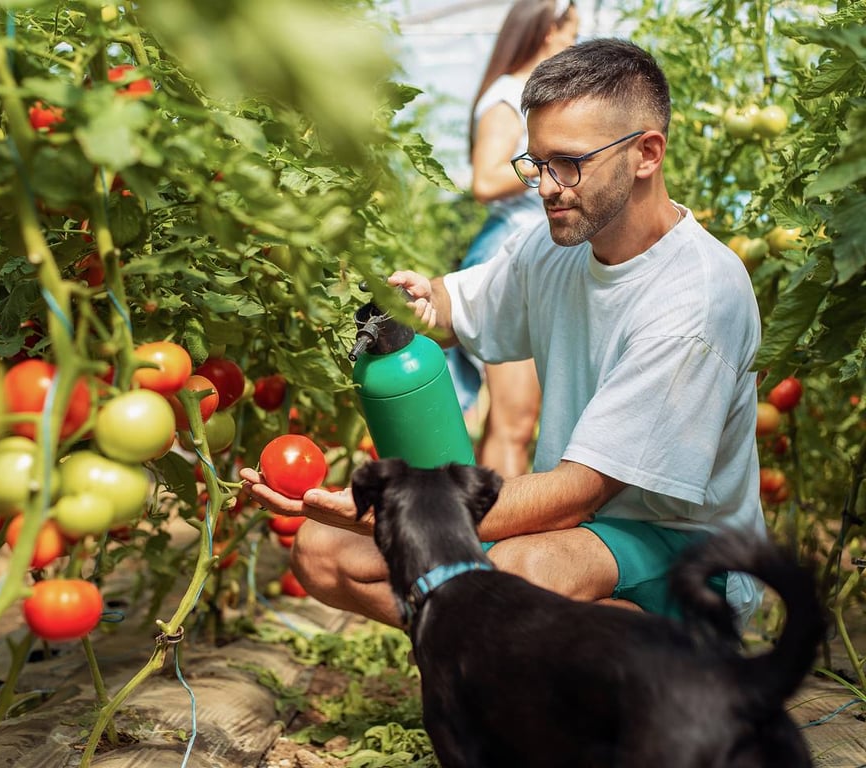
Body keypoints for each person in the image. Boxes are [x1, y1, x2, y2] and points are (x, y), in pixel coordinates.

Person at [240, 38, 767, 630]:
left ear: (646, 153)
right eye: (536, 163)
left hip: (692, 556)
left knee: (510, 577)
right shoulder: (554, 247)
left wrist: (395, 512)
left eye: (568, 163)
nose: (545, 187)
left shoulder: (693, 301)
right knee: (322, 551)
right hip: (580, 532)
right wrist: (385, 297)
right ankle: (508, 661)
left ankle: (673, 670)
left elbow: (577, 492)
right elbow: (451, 308)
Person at [449, 0, 579, 479]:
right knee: (514, 420)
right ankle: (502, 545)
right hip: (510, 253)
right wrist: (558, 161)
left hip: (533, 254)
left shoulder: (529, 96)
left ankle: (482, 535)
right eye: (570, 34)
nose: (572, 45)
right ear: (547, 32)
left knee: (513, 420)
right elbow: (484, 180)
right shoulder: (508, 95)